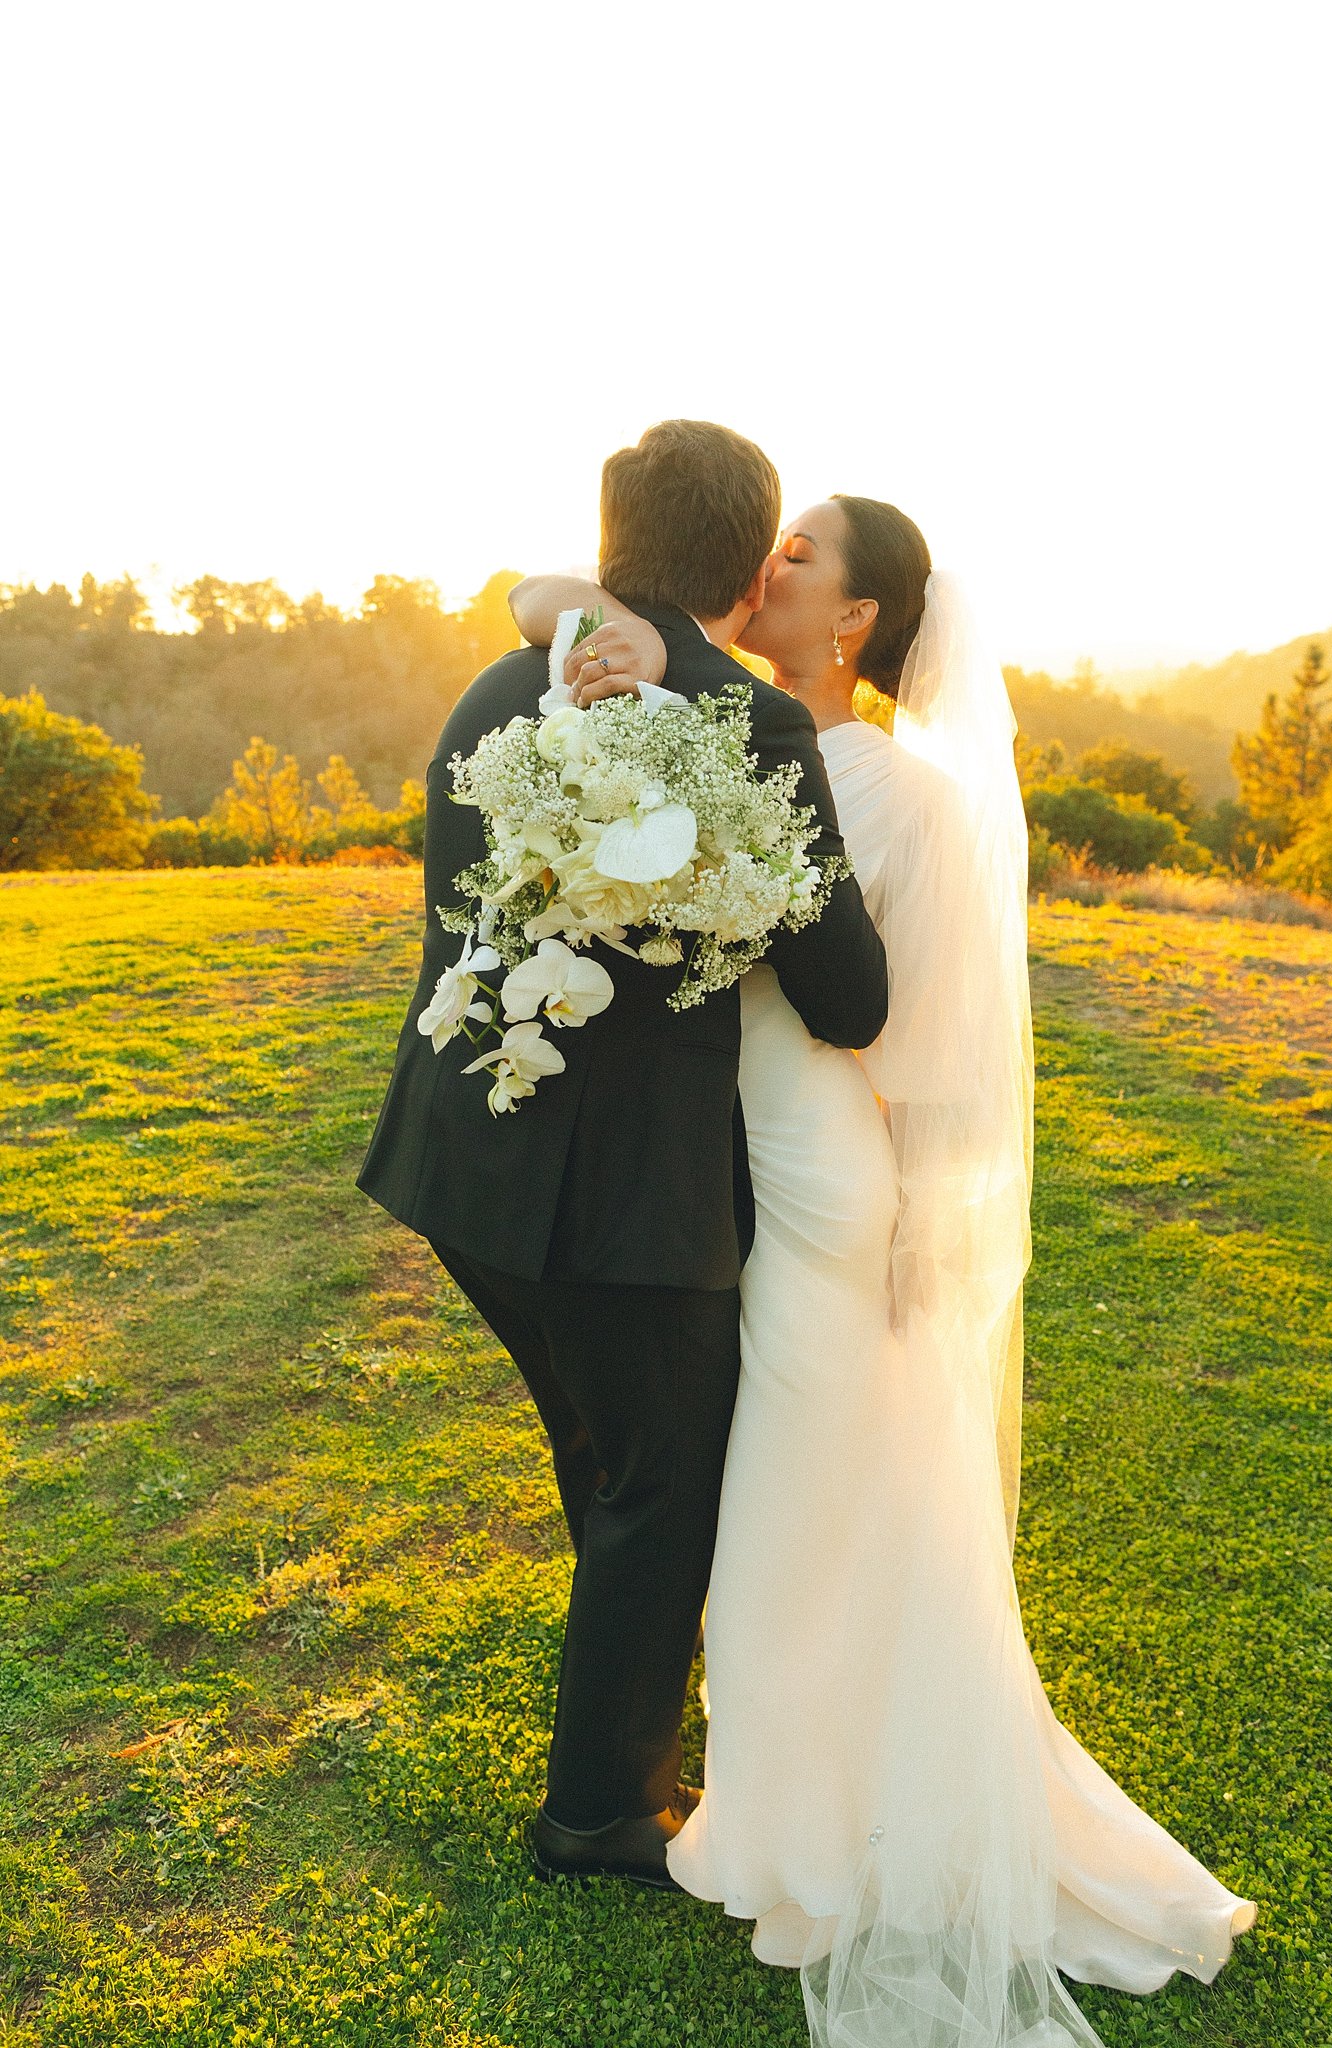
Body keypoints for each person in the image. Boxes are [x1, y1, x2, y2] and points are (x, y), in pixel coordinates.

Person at [509, 495, 1256, 2046]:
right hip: (749, 1174)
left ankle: (803, 1824)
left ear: (851, 621)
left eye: (798, 558)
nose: (764, 566)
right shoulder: (722, 727)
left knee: (794, 1494)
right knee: (815, 1492)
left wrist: (915, 1215)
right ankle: (806, 1792)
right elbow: (549, 602)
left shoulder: (892, 790)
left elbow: (913, 1042)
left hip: (824, 1183)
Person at [357, 425, 889, 1891]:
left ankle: (629, 1715)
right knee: (666, 1475)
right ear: (744, 557)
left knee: (609, 1456)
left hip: (458, 1158)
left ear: (613, 535)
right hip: (617, 1199)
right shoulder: (746, 720)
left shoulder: (495, 680)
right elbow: (850, 999)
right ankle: (601, 1812)